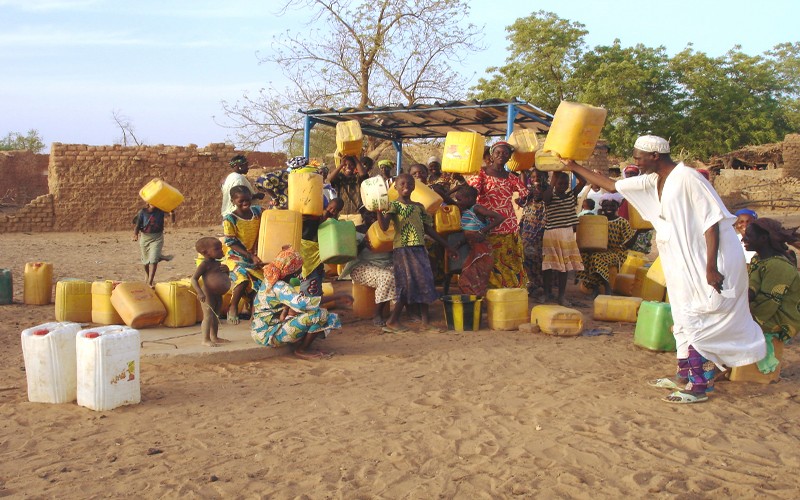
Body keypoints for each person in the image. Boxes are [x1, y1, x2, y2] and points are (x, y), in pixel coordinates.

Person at [563, 134, 766, 404]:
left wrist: (710, 268)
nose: (635, 162)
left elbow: (711, 223)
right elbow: (613, 184)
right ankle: (686, 374)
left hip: (706, 259)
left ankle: (700, 385)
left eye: (638, 157)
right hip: (681, 260)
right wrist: (573, 166)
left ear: (655, 156)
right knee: (682, 315)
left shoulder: (689, 178)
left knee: (700, 315)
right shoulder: (654, 179)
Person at [376, 173, 455, 333]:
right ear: (396, 187)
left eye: (410, 183)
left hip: (419, 248)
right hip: (403, 249)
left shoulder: (419, 207)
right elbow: (384, 226)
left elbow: (428, 229)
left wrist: (447, 245)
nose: (407, 186)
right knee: (406, 285)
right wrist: (378, 210)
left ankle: (425, 322)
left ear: (414, 186)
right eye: (402, 183)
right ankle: (392, 321)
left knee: (424, 282)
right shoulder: (394, 206)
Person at [250, 246, 344, 359]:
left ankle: (301, 344)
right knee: (320, 314)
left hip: (262, 330)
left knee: (315, 315)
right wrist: (338, 296)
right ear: (293, 272)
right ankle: (302, 349)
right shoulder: (280, 287)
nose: (300, 271)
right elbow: (304, 304)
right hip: (269, 334)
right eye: (299, 268)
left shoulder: (270, 279)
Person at [467, 141, 529, 289]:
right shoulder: (481, 173)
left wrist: (522, 198)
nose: (502, 155)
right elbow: (471, 193)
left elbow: (525, 194)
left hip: (508, 226)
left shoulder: (511, 177)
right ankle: (489, 293)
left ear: (509, 158)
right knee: (488, 261)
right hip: (486, 226)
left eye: (505, 153)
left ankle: (508, 294)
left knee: (509, 261)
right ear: (491, 156)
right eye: (498, 153)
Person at [742, 218, 800, 374]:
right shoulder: (758, 260)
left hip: (781, 318)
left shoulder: (778, 266)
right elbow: (752, 288)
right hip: (766, 309)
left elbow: (769, 304)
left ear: (763, 238)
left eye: (748, 236)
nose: (743, 239)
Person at [341, 207, 398, 327]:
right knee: (387, 277)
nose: (372, 216)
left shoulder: (387, 229)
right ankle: (377, 314)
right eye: (368, 214)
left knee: (406, 273)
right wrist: (363, 244)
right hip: (361, 266)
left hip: (386, 264)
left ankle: (407, 311)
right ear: (362, 216)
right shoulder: (355, 231)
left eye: (374, 213)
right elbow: (349, 255)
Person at [452, 185, 505, 296]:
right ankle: (475, 303)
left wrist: (483, 231)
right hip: (473, 247)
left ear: (470, 199)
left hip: (481, 249)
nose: (458, 202)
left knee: (473, 277)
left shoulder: (476, 208)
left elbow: (500, 217)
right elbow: (444, 197)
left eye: (460, 200)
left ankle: (477, 303)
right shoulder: (465, 210)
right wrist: (456, 188)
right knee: (471, 277)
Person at [541, 171, 585, 305]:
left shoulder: (571, 195)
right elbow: (545, 199)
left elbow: (583, 182)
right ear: (554, 183)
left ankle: (561, 296)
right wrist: (553, 181)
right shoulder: (550, 195)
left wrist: (572, 167)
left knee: (564, 267)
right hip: (551, 233)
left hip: (566, 234)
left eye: (565, 183)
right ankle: (548, 293)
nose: (563, 186)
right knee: (548, 266)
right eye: (560, 183)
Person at [577, 198, 636, 297]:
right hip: (599, 250)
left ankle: (606, 286)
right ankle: (594, 286)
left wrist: (637, 233)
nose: (609, 208)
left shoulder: (622, 222)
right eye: (606, 206)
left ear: (618, 207)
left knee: (596, 257)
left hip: (617, 252)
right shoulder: (598, 220)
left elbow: (628, 244)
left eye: (612, 206)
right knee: (585, 255)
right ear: (602, 207)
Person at [223, 186, 265, 324]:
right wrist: (249, 255)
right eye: (241, 201)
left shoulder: (258, 212)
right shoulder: (230, 219)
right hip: (236, 256)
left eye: (248, 200)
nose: (245, 203)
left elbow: (273, 218)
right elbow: (231, 242)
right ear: (233, 201)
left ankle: (254, 313)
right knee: (243, 279)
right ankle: (233, 306)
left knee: (260, 283)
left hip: (255, 256)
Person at [191, 237, 232, 347]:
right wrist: (199, 292)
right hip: (207, 293)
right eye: (217, 249)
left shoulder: (217, 263)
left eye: (221, 248)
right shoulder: (205, 264)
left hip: (217, 293)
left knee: (216, 315)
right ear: (206, 253)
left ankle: (215, 337)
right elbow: (194, 279)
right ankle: (205, 339)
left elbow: (219, 276)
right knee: (208, 315)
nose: (221, 251)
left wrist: (227, 271)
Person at [300, 198, 344, 297]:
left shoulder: (332, 220)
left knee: (318, 278)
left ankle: (316, 302)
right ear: (328, 204)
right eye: (331, 207)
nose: (332, 211)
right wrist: (323, 216)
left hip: (318, 254)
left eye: (336, 210)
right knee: (309, 277)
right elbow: (318, 232)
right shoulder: (314, 214)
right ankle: (307, 303)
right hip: (307, 251)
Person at [518, 170, 548, 296]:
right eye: (533, 177)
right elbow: (522, 193)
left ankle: (540, 285)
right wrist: (523, 171)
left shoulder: (547, 197)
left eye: (539, 177)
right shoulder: (528, 198)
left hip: (541, 234)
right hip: (527, 233)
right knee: (527, 257)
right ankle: (531, 284)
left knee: (539, 260)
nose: (536, 180)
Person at [132, 203, 175, 286]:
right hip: (145, 238)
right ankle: (147, 275)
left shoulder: (161, 211)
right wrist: (135, 234)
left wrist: (172, 214)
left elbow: (172, 220)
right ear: (148, 203)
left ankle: (150, 281)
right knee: (145, 261)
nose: (153, 204)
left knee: (154, 260)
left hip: (157, 238)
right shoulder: (142, 212)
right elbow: (137, 224)